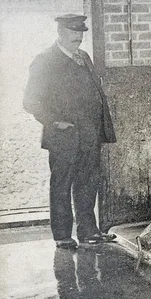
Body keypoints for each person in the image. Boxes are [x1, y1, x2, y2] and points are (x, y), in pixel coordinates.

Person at [23, 14, 117, 249]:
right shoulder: (45, 60)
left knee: (88, 183)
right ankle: (63, 235)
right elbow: (31, 101)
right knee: (62, 184)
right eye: (72, 33)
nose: (78, 37)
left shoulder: (83, 57)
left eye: (81, 33)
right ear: (60, 33)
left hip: (89, 134)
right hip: (63, 136)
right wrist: (54, 122)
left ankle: (88, 232)